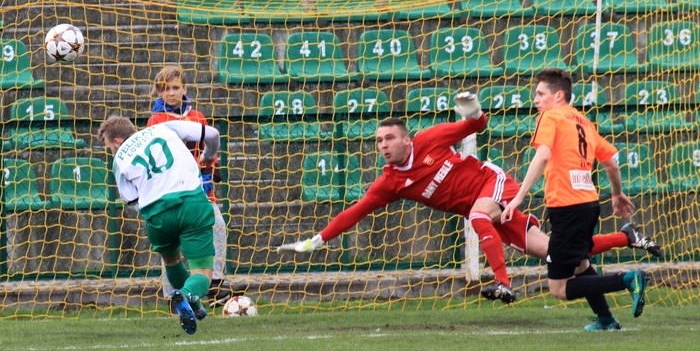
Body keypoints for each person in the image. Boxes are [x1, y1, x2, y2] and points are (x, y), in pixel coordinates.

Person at [282, 92, 661, 304]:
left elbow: (476, 126)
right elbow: (356, 211)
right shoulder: (390, 183)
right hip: (485, 209)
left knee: (479, 216)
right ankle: (628, 238)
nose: (383, 145)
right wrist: (318, 240)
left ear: (406, 139)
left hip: (494, 186)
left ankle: (503, 282)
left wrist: (473, 110)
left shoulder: (430, 138)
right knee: (557, 253)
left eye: (389, 138)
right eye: (379, 141)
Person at [501, 68, 650, 331]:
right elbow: (612, 165)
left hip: (567, 207)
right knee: (581, 265)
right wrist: (616, 193)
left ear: (558, 96)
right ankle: (606, 320)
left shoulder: (551, 117)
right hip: (589, 205)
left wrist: (518, 199)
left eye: (540, 93)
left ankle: (628, 279)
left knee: (558, 288)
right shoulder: (583, 121)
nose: (535, 99)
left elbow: (543, 155)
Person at [98, 115, 220, 335]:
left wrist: (155, 212)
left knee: (172, 262)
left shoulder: (119, 161)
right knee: (202, 273)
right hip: (191, 203)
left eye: (109, 147)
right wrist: (207, 156)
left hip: (156, 214)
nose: (111, 152)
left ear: (117, 141)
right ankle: (189, 295)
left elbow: (132, 201)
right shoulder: (164, 127)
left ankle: (197, 308)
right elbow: (212, 134)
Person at [146, 66, 241, 307]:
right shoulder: (156, 121)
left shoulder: (198, 117)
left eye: (175, 88)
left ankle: (215, 285)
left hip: (199, 190)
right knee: (171, 246)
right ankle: (172, 296)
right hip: (170, 191)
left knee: (217, 226)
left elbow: (209, 148)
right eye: (165, 89)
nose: (171, 93)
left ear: (185, 89)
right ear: (159, 93)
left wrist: (212, 166)